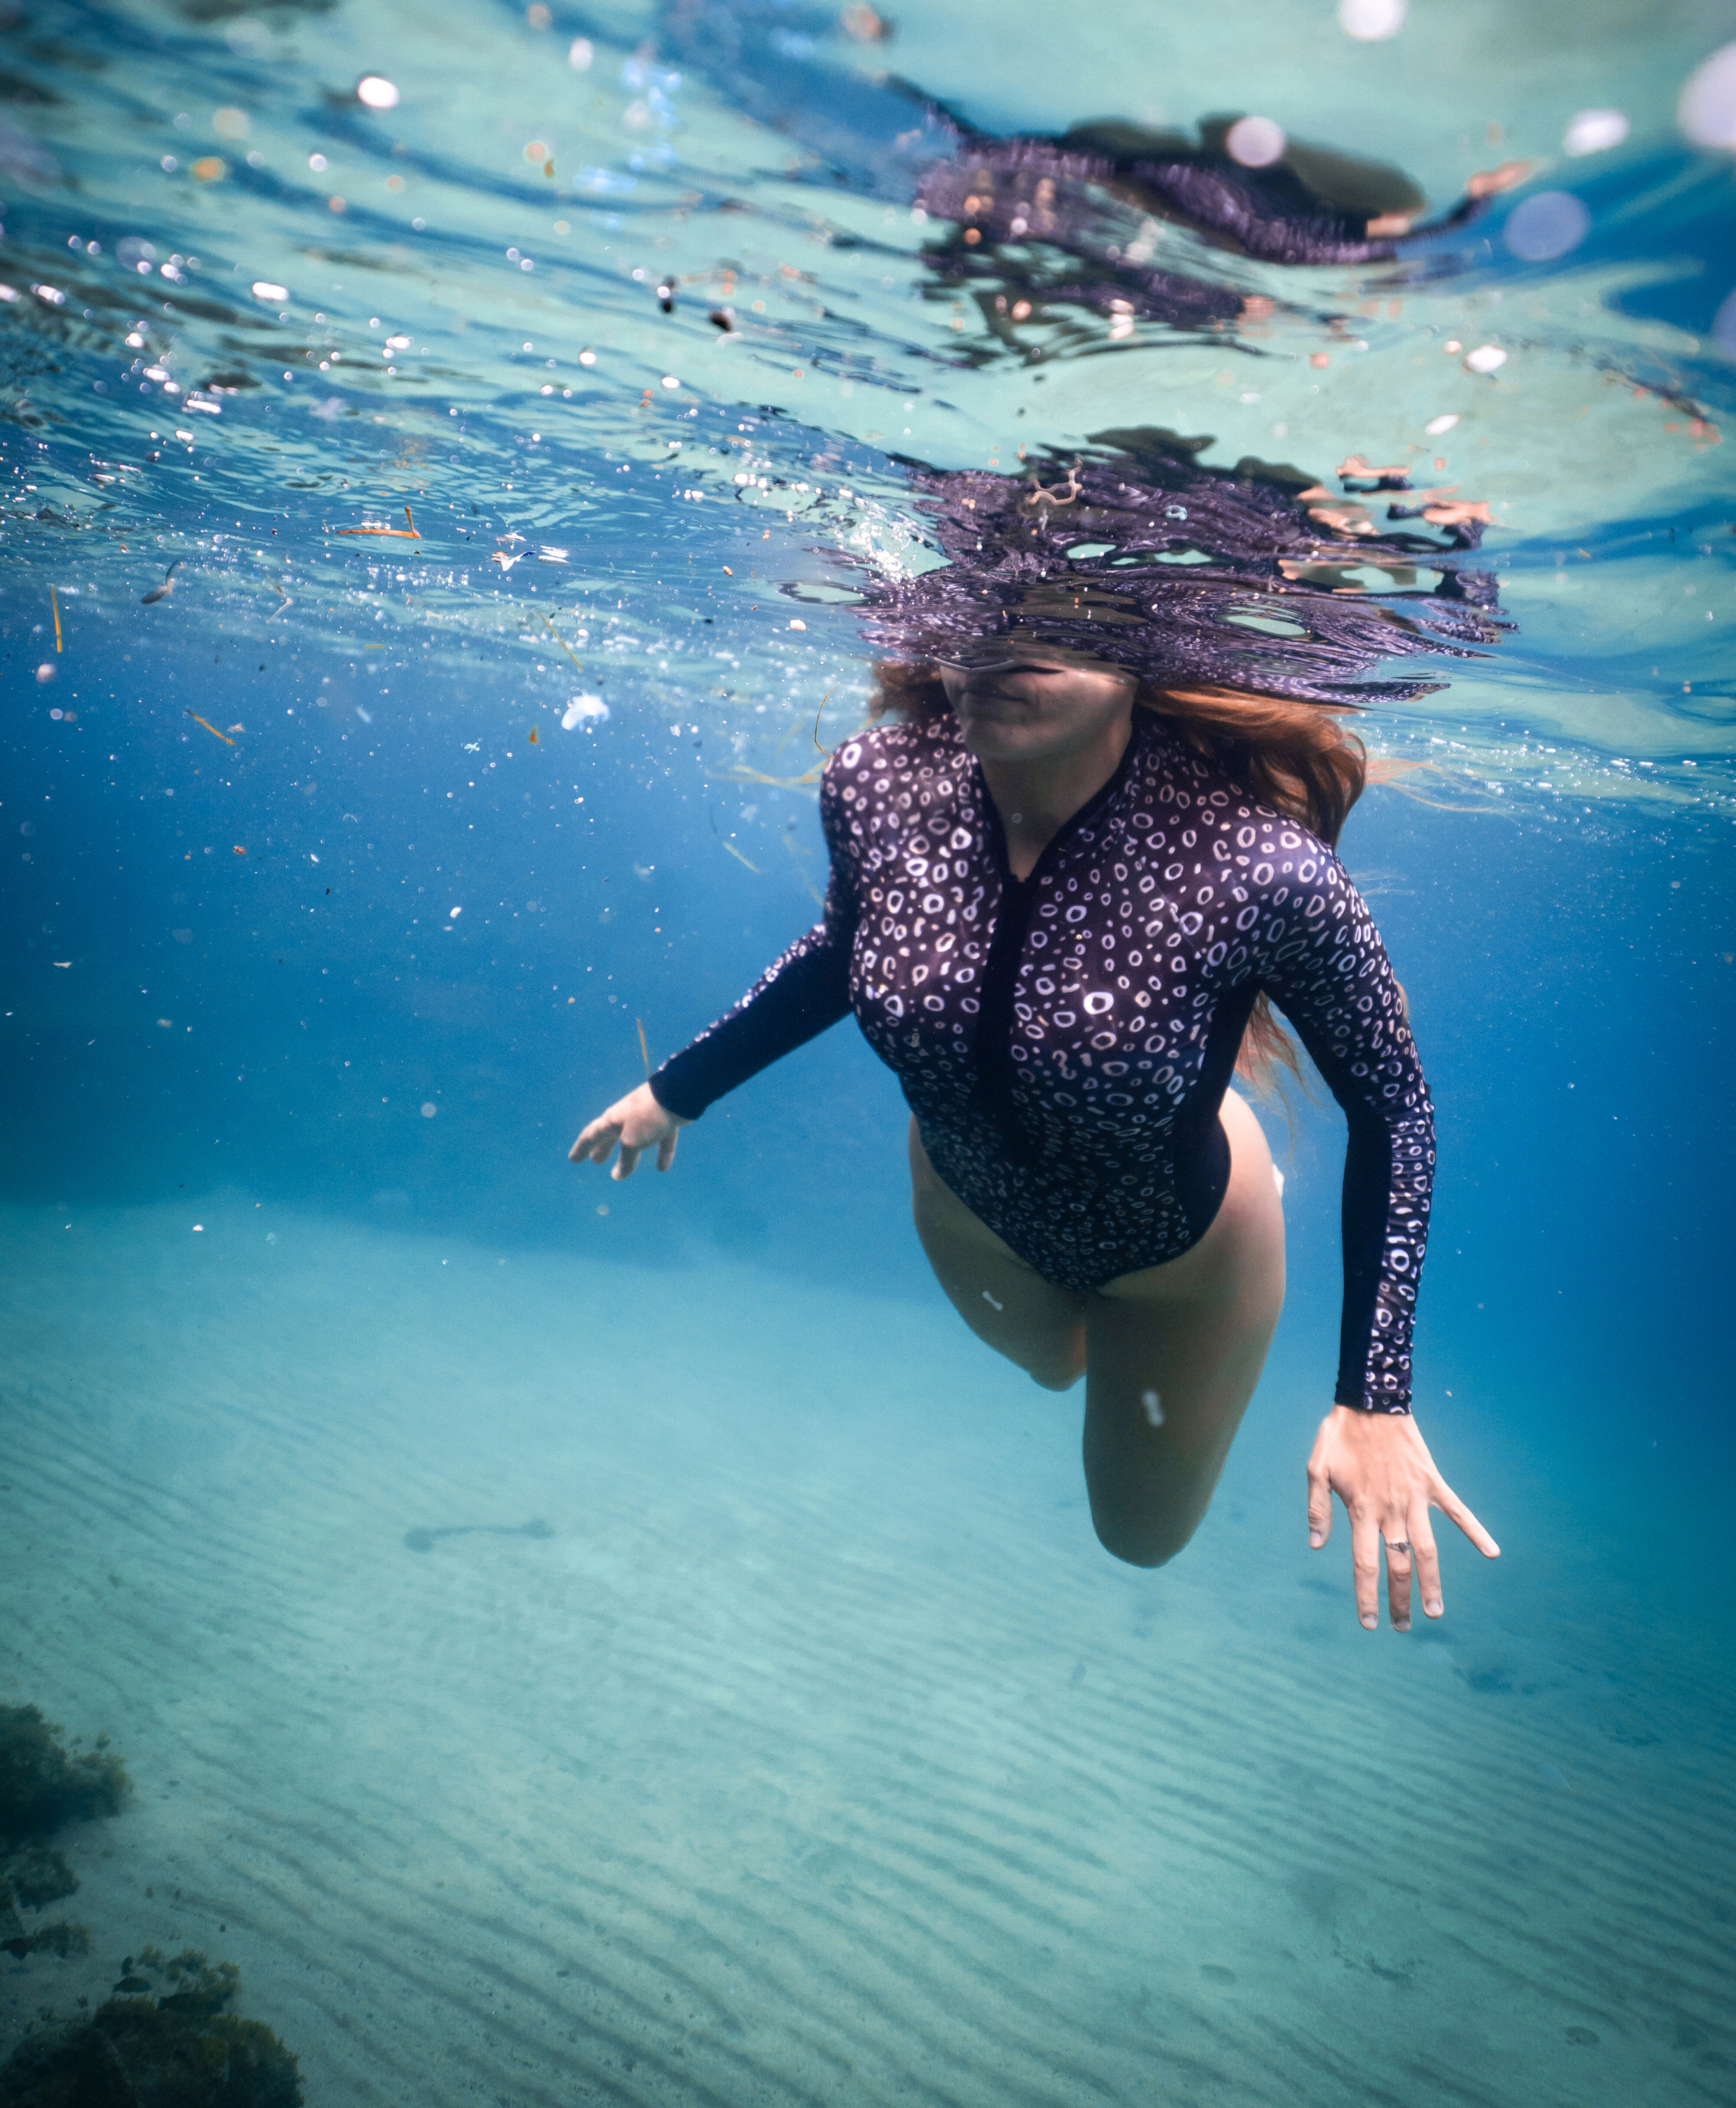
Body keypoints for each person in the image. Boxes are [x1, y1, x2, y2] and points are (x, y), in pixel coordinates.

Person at [571, 646, 1498, 1633]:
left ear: (1140, 654)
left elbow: (1393, 1105)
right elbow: (846, 948)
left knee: (1135, 1538)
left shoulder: (1260, 869)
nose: (1002, 647)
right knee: (1052, 1365)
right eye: (983, 618)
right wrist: (679, 1089)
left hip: (1181, 1259)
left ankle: (1219, 1123)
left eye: (1054, 626)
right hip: (964, 1207)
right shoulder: (879, 784)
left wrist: (1374, 1397)